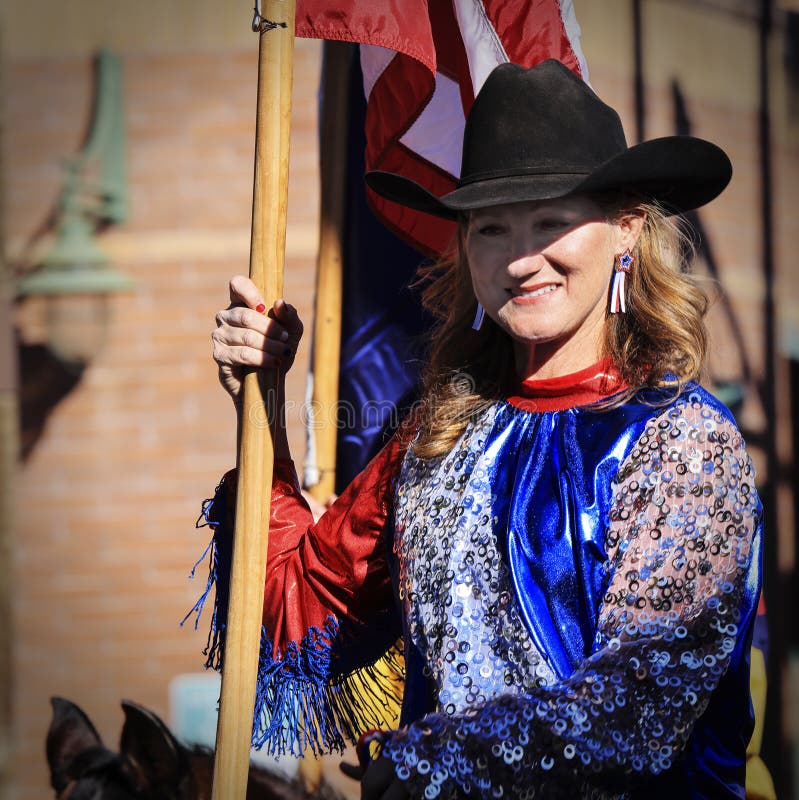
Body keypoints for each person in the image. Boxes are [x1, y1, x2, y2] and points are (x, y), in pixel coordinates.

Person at [201, 60, 762, 799]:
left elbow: (636, 711)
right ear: (465, 246)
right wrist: (262, 406)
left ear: (625, 230)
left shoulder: (685, 440)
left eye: (552, 221)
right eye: (492, 227)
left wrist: (429, 757)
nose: (523, 260)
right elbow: (293, 606)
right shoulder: (435, 436)